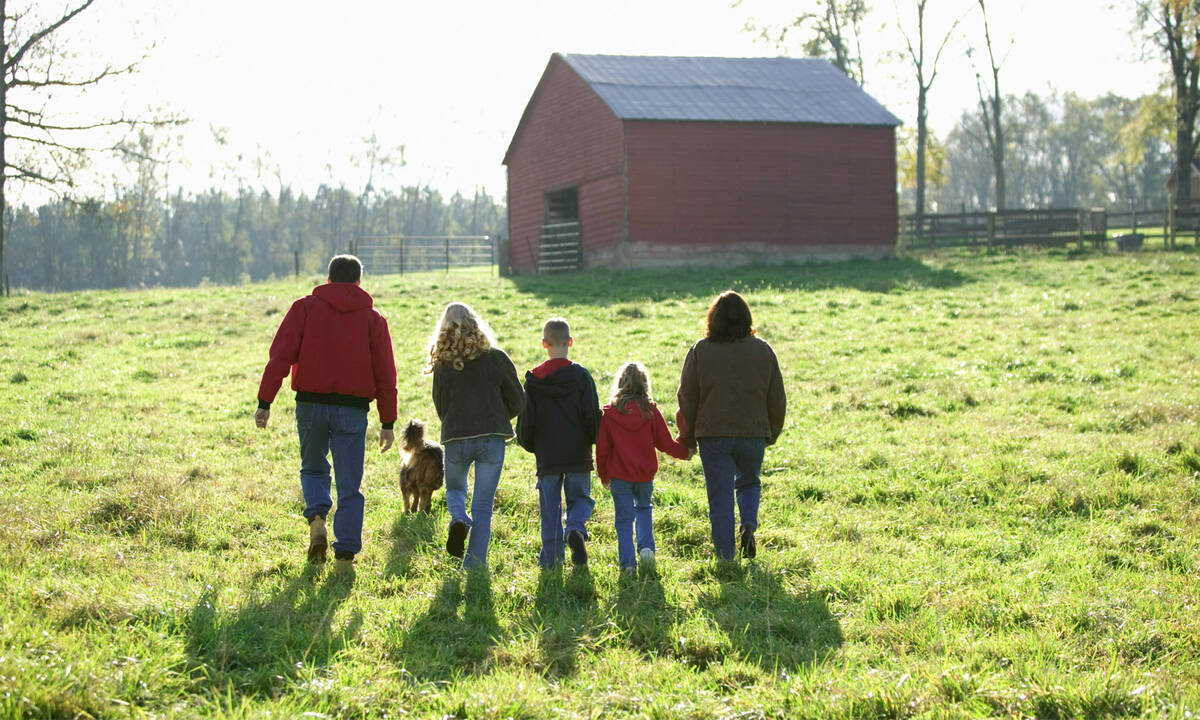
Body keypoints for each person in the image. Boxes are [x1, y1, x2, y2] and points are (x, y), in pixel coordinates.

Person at [255, 254, 397, 574]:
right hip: (352, 410)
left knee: (314, 467)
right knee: (350, 484)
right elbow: (387, 375)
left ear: (328, 279)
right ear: (359, 282)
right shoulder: (374, 320)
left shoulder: (304, 308)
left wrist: (265, 402)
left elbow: (279, 357)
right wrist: (388, 422)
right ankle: (344, 559)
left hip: (310, 404)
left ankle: (317, 517)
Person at [676, 290, 786, 562]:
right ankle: (748, 525)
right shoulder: (763, 350)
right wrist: (770, 431)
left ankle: (726, 557)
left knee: (720, 498)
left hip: (713, 436)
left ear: (714, 320)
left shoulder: (700, 351)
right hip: (753, 433)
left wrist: (687, 438)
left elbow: (687, 397)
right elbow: (777, 396)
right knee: (749, 482)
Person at [426, 302, 525, 570]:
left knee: (455, 489)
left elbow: (440, 406)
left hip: (456, 437)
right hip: (492, 438)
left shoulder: (443, 364)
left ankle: (459, 518)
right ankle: (474, 566)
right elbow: (518, 401)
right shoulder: (496, 357)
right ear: (476, 324)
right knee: (483, 504)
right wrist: (497, 414)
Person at [516, 317, 602, 569]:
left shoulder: (533, 381)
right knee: (581, 499)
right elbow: (591, 415)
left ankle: (552, 561)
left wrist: (531, 445)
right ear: (570, 342)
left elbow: (526, 422)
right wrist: (594, 439)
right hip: (577, 452)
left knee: (549, 510)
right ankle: (575, 527)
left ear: (544, 344)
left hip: (547, 456)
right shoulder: (582, 377)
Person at [596, 361, 691, 574]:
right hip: (645, 475)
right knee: (644, 509)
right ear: (645, 384)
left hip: (619, 476)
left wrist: (603, 475)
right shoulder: (650, 411)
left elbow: (602, 449)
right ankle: (647, 548)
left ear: (620, 383)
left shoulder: (610, 415)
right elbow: (666, 444)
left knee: (623, 520)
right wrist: (685, 453)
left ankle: (627, 564)